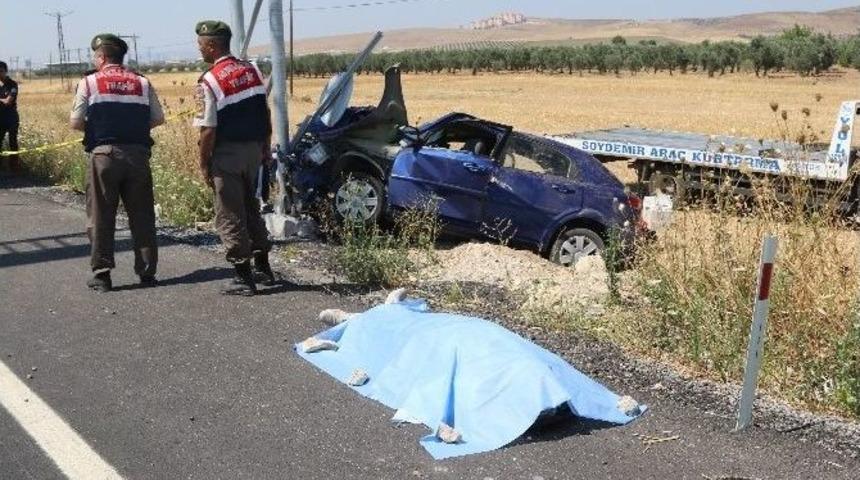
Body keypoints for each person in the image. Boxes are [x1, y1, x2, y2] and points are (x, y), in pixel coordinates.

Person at [70, 34, 165, 292]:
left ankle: (102, 275)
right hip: (138, 154)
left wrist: (101, 128)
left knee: (101, 215)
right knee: (142, 215)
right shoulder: (142, 82)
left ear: (101, 57)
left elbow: (76, 122)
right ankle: (147, 272)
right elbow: (158, 118)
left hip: (104, 155)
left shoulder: (89, 82)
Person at [194, 20, 275, 296]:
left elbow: (208, 130)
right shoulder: (250, 69)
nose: (200, 49)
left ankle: (243, 276)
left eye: (201, 44)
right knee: (251, 206)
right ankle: (263, 267)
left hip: (226, 153)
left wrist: (204, 163)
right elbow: (264, 111)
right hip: (253, 150)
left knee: (230, 213)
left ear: (212, 45)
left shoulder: (210, 80)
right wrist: (265, 145)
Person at [0, 61, 20, 173]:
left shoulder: (12, 84)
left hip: (11, 118)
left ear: (5, 71)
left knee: (13, 142)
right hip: (1, 119)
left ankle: (14, 168)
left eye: (1, 71)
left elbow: (8, 101)